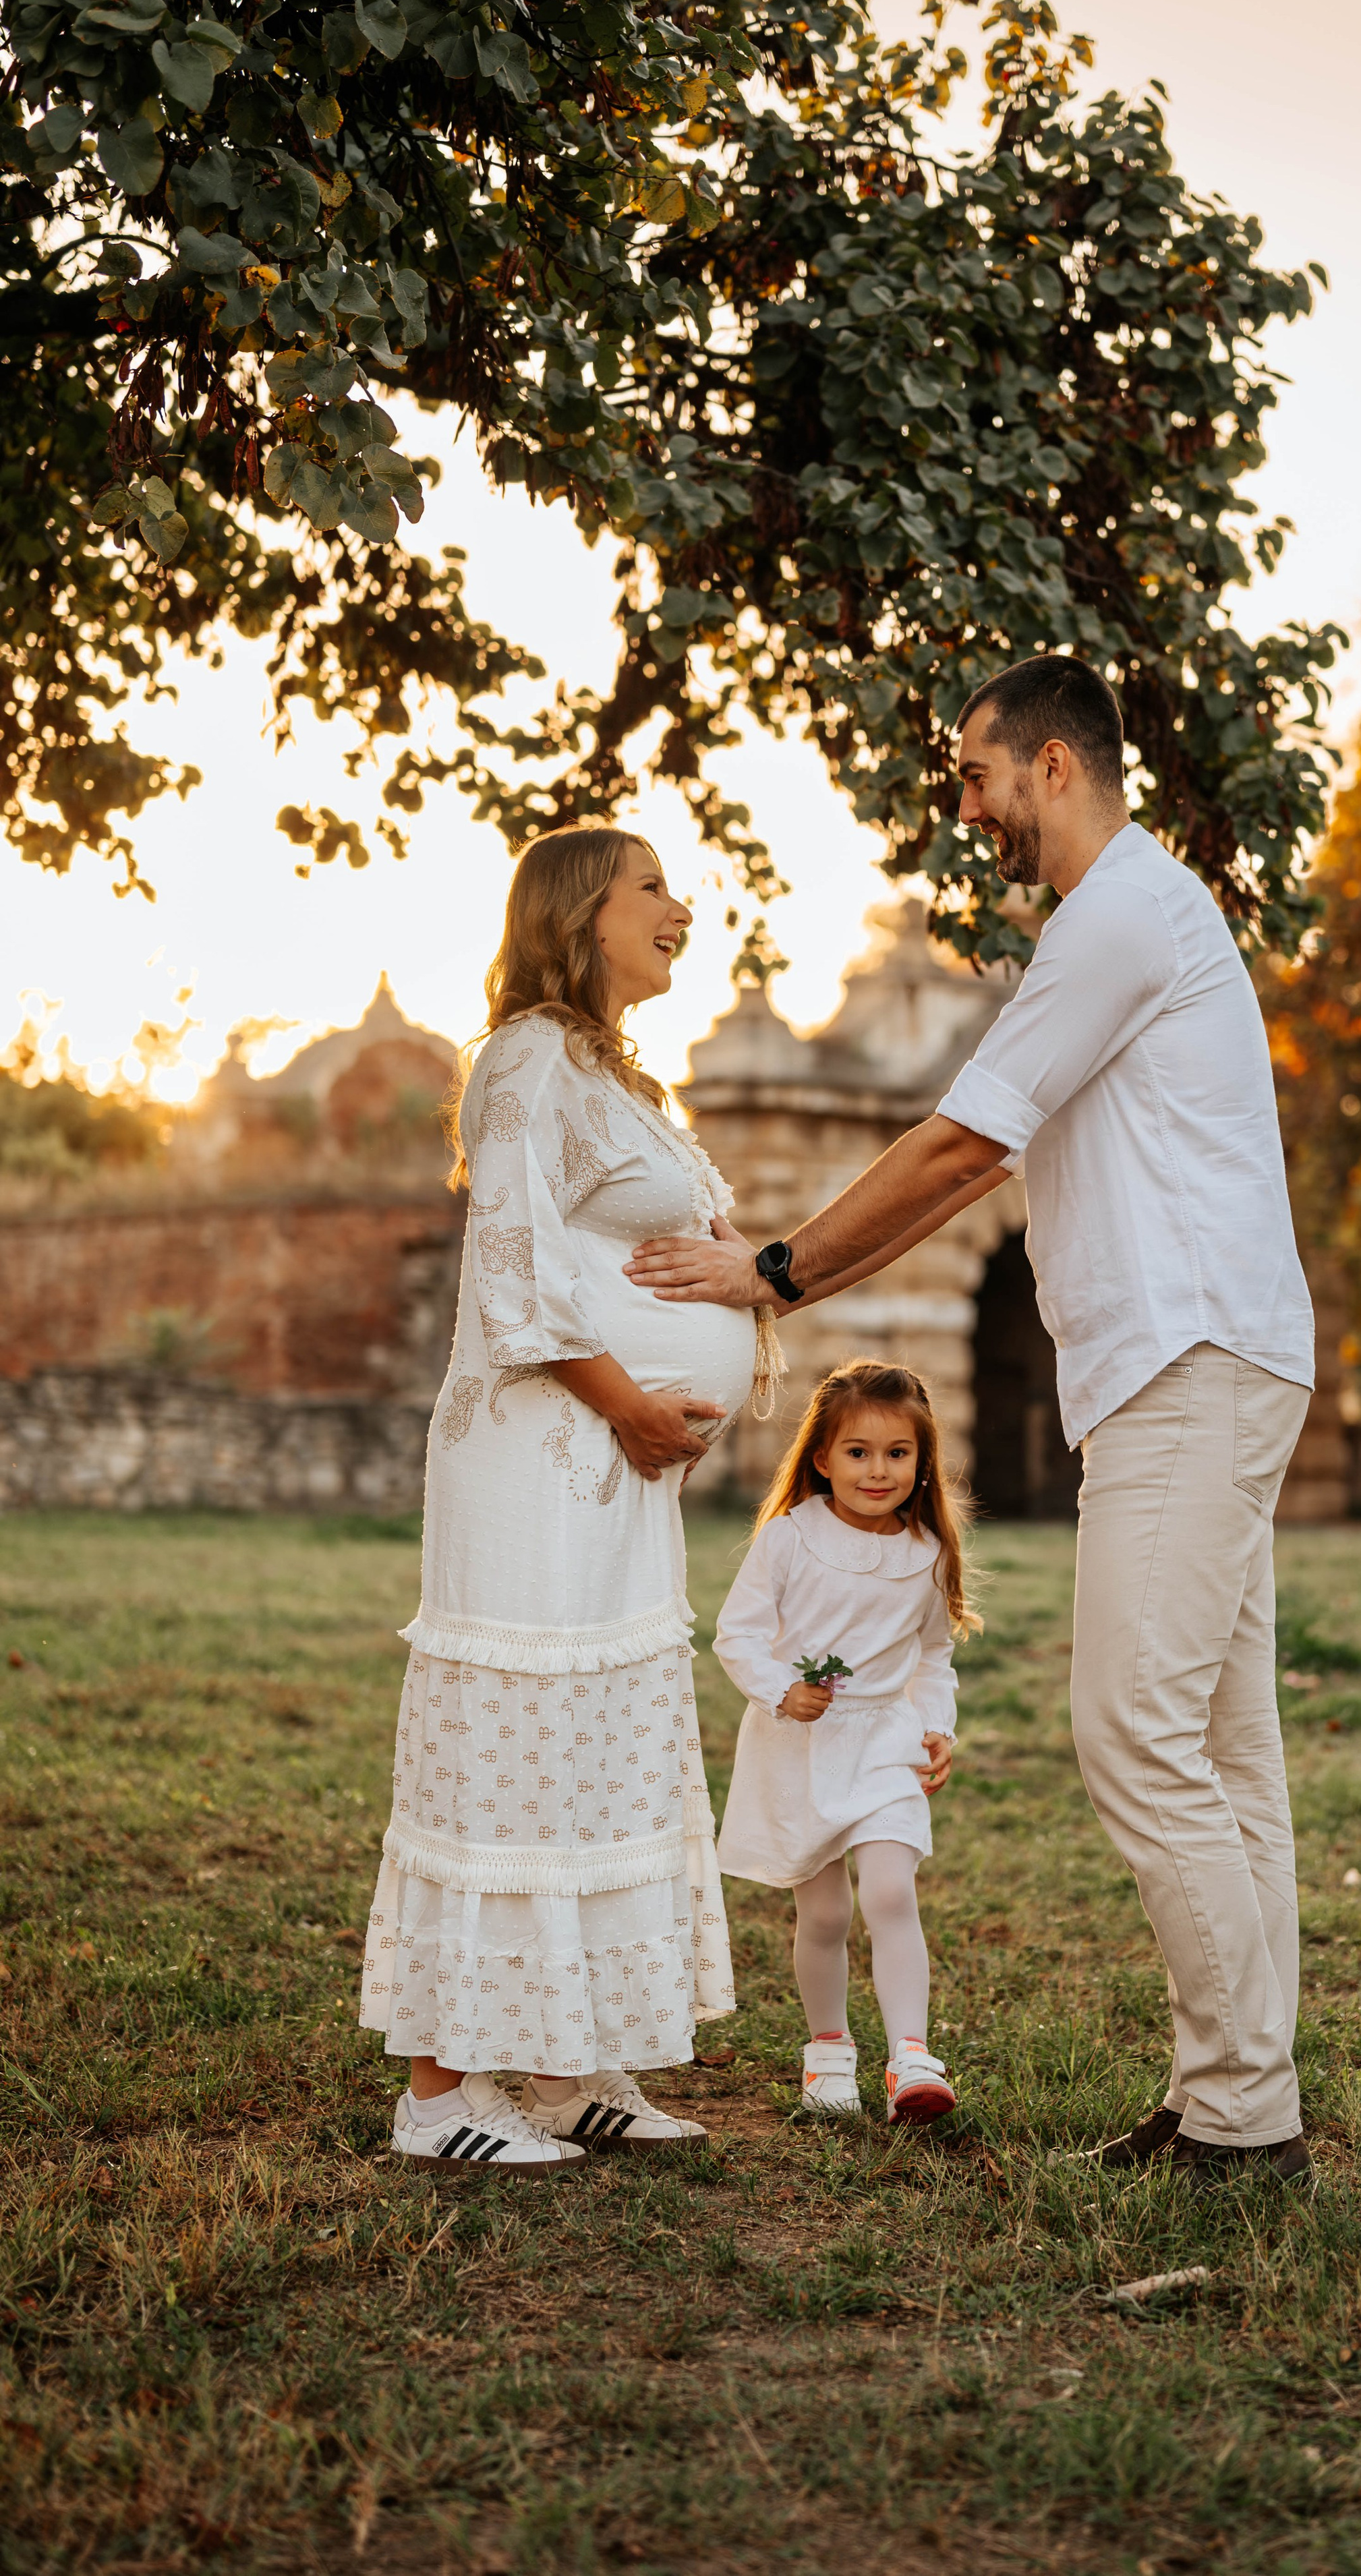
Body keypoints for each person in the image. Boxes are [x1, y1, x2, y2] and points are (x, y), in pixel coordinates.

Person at [625, 655, 1317, 2188]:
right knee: (1221, 1752)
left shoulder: (1116, 917)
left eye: (976, 775)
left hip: (1188, 1363)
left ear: (1054, 765)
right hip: (1207, 1360)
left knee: (1136, 1734)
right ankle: (1231, 2095)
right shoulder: (1138, 918)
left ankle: (1244, 2116)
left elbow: (957, 1149)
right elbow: (983, 1154)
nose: (968, 808)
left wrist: (775, 1270)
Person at [360, 823, 768, 2173]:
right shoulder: (528, 1059)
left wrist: (700, 1366)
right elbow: (513, 1274)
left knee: (596, 1744)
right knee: (517, 1740)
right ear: (581, 913)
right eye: (652, 887)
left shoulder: (616, 1074)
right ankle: (438, 2096)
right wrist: (634, 1403)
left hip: (617, 1462)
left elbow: (690, 1250)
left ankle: (566, 2069)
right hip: (538, 1457)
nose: (679, 906)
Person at [713, 1361, 970, 2125]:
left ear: (922, 1461)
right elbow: (738, 1634)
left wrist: (937, 1725)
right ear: (822, 1458)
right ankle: (828, 2050)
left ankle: (911, 2057)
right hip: (802, 1745)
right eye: (858, 1452)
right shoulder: (790, 1538)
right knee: (825, 1916)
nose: (878, 1470)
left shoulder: (927, 1550)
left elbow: (933, 1654)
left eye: (897, 1453)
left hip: (885, 1741)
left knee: (890, 1894)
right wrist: (779, 1690)